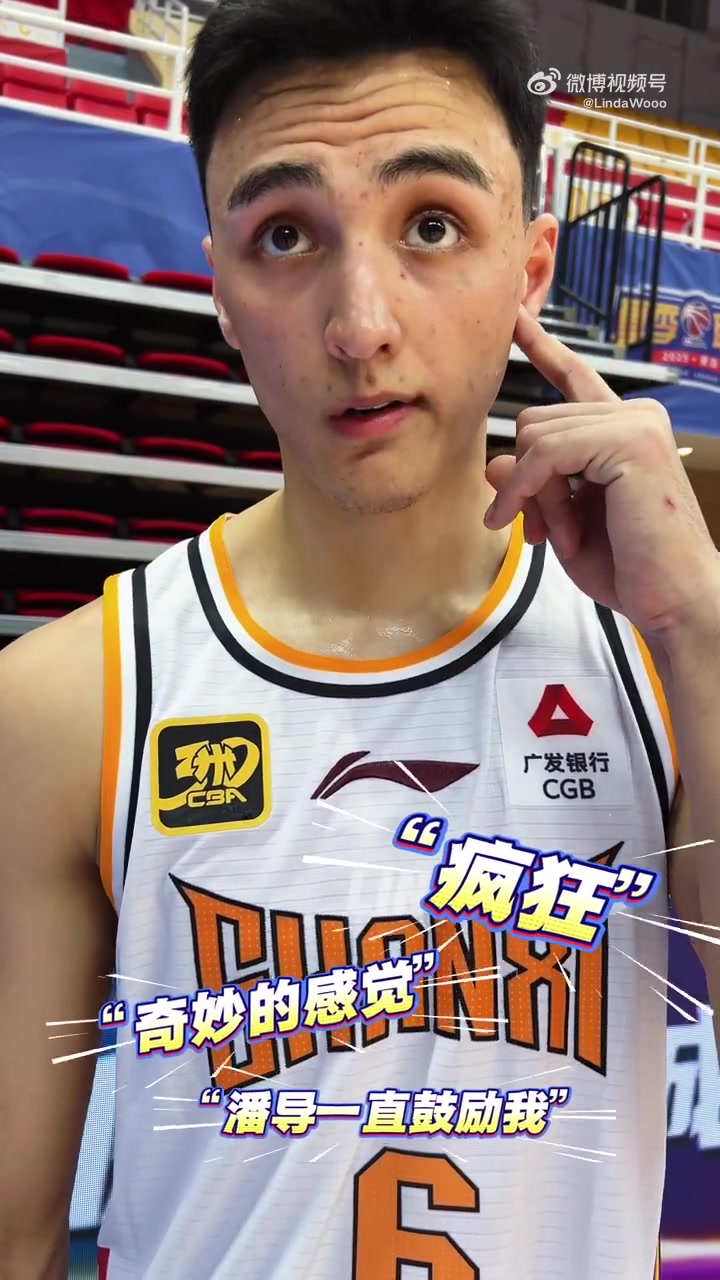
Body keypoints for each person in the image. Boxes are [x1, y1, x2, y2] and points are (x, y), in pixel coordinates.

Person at [1, 0, 718, 1276]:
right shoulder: (68, 700)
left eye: (432, 224)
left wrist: (700, 625)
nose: (362, 324)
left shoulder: (665, 659)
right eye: (286, 236)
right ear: (221, 289)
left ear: (532, 271)